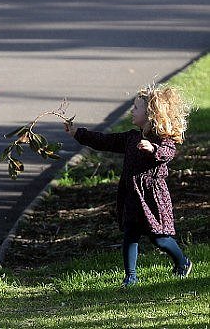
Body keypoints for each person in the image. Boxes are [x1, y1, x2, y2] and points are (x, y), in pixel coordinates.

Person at [64, 83, 193, 287]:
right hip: (132, 195)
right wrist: (78, 133)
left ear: (151, 114)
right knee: (130, 234)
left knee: (159, 238)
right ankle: (130, 277)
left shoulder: (164, 139)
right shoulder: (131, 137)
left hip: (153, 197)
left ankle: (182, 261)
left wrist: (153, 149)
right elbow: (105, 141)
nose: (132, 111)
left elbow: (168, 153)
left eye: (136, 108)